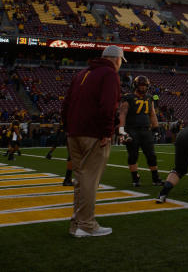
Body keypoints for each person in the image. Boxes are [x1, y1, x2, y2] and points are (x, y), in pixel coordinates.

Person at [61, 45, 123, 237]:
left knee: (80, 179)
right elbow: (108, 105)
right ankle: (87, 225)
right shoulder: (109, 74)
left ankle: (77, 224)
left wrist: (68, 127)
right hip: (93, 133)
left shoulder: (81, 73)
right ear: (116, 59)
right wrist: (107, 131)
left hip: (74, 132)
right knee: (89, 179)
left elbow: (66, 104)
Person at [117, 75, 162, 187]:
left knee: (151, 155)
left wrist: (156, 128)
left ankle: (156, 178)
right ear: (135, 85)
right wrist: (121, 130)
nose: (142, 88)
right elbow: (122, 115)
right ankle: (135, 178)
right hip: (132, 130)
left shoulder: (149, 98)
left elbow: (152, 114)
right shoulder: (128, 98)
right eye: (140, 85)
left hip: (146, 131)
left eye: (144, 85)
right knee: (133, 155)